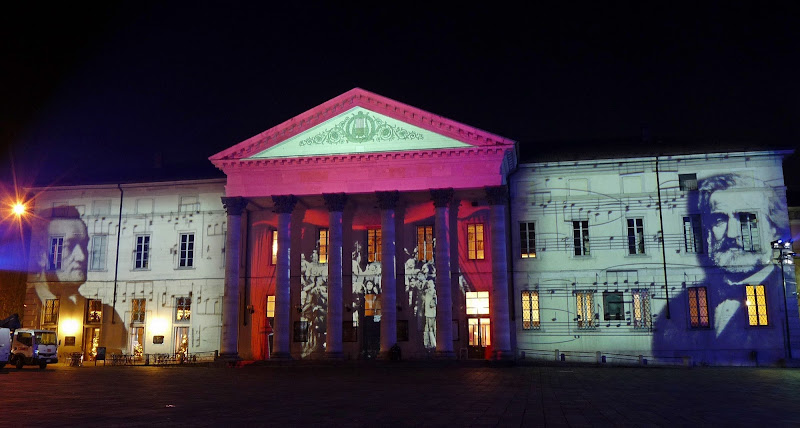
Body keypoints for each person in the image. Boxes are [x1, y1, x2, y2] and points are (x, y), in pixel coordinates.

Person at [652, 173, 793, 365]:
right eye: (719, 220)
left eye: (746, 219)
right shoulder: (678, 305)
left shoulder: (784, 292)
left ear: (773, 228)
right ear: (707, 230)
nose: (732, 233)